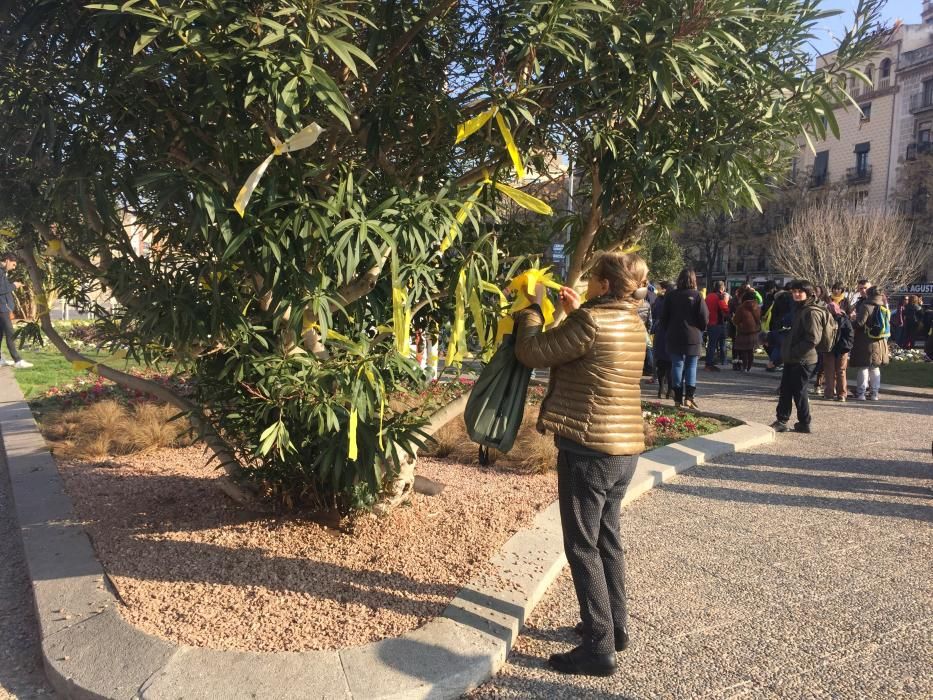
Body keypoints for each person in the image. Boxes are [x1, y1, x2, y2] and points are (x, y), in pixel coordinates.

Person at [513, 251, 649, 677]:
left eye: (593, 279)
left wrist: (533, 309)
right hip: (623, 449)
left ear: (605, 285)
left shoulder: (590, 322)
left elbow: (531, 352)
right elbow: (592, 353)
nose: (587, 283)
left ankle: (598, 648)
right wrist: (575, 311)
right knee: (607, 540)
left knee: (581, 545)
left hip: (589, 449)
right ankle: (615, 628)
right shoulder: (632, 320)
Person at [771, 280, 823, 434]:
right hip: (794, 357)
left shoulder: (811, 311)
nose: (796, 294)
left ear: (808, 293)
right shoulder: (799, 308)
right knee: (786, 389)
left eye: (800, 291)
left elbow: (813, 338)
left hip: (803, 359)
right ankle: (782, 420)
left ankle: (805, 422)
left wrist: (794, 352)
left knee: (799, 392)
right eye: (794, 291)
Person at [661, 268, 708, 409]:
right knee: (691, 366)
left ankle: (677, 398)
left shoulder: (670, 296)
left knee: (677, 365)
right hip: (692, 335)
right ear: (694, 280)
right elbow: (704, 317)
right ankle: (689, 397)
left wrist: (668, 329)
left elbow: (663, 318)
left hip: (674, 334)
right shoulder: (697, 295)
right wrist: (700, 328)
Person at [850, 286, 890, 400]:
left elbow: (860, 323)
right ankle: (874, 394)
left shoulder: (866, 306)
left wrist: (850, 321)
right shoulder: (883, 307)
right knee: (875, 368)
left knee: (863, 367)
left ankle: (861, 393)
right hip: (880, 341)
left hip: (865, 341)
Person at [0, 253, 32, 369]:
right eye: (13, 264)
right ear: (7, 260)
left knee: (1, 334)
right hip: (2, 308)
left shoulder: (2, 272)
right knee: (10, 333)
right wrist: (14, 285)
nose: (14, 267)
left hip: (3, 308)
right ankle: (17, 360)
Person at [823, 301, 853, 401]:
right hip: (841, 348)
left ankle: (829, 393)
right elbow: (850, 334)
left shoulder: (826, 319)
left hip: (830, 348)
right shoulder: (844, 319)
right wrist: (847, 346)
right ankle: (842, 394)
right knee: (841, 371)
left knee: (829, 371)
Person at [651, 282, 673, 399]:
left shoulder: (659, 301)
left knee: (661, 363)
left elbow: (654, 313)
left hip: (660, 332)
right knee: (670, 364)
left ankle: (660, 388)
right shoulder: (674, 303)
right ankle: (670, 390)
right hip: (671, 333)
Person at [731, 289, 761, 372]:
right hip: (754, 332)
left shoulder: (741, 308)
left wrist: (733, 319)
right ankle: (749, 367)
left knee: (744, 350)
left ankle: (744, 367)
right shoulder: (757, 307)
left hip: (743, 332)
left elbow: (736, 320)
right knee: (750, 351)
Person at [766, 282, 794, 371]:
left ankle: (772, 364)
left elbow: (773, 312)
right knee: (784, 346)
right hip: (786, 325)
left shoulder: (778, 298)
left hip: (776, 324)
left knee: (777, 346)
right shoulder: (791, 299)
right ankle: (777, 364)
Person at [704, 281, 729, 372]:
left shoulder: (709, 296)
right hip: (718, 323)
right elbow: (725, 309)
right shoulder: (719, 297)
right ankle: (714, 362)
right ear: (722, 288)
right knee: (720, 343)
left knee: (711, 344)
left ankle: (711, 362)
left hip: (709, 323)